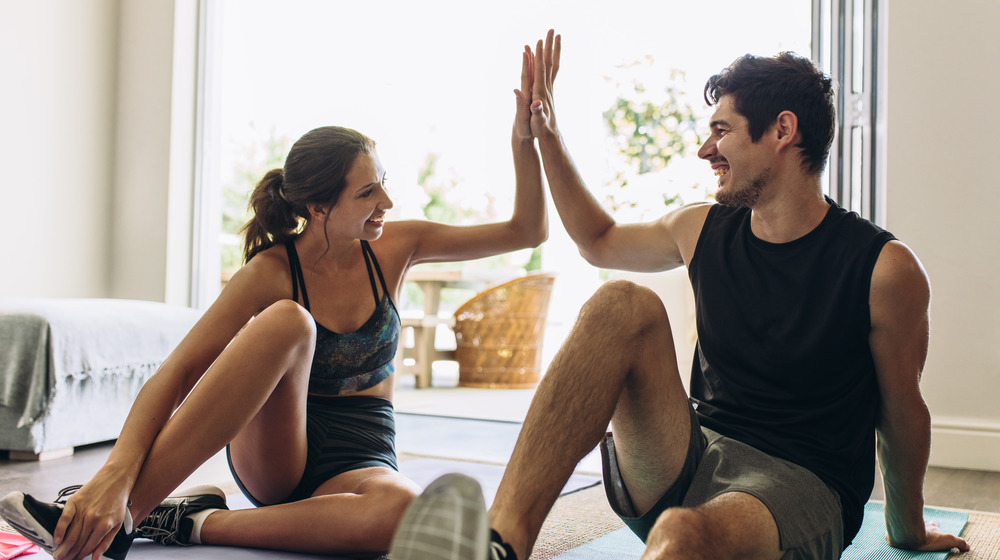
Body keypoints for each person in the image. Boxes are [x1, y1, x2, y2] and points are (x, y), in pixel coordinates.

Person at [389, 30, 971, 560]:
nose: (704, 149)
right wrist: (547, 134)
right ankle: (499, 545)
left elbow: (901, 410)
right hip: (690, 452)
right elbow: (598, 240)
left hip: (799, 485)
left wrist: (907, 530)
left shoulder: (884, 268)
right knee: (622, 303)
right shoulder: (701, 229)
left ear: (782, 131)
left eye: (722, 130)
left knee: (681, 539)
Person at [0, 48, 546, 560]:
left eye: (383, 184)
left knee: (402, 509)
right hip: (280, 453)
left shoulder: (399, 248)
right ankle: (125, 516)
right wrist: (115, 472)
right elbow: (179, 370)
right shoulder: (270, 272)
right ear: (318, 206)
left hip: (362, 454)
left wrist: (527, 138)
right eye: (367, 194)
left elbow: (528, 230)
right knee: (290, 321)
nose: (388, 202)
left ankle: (187, 523)